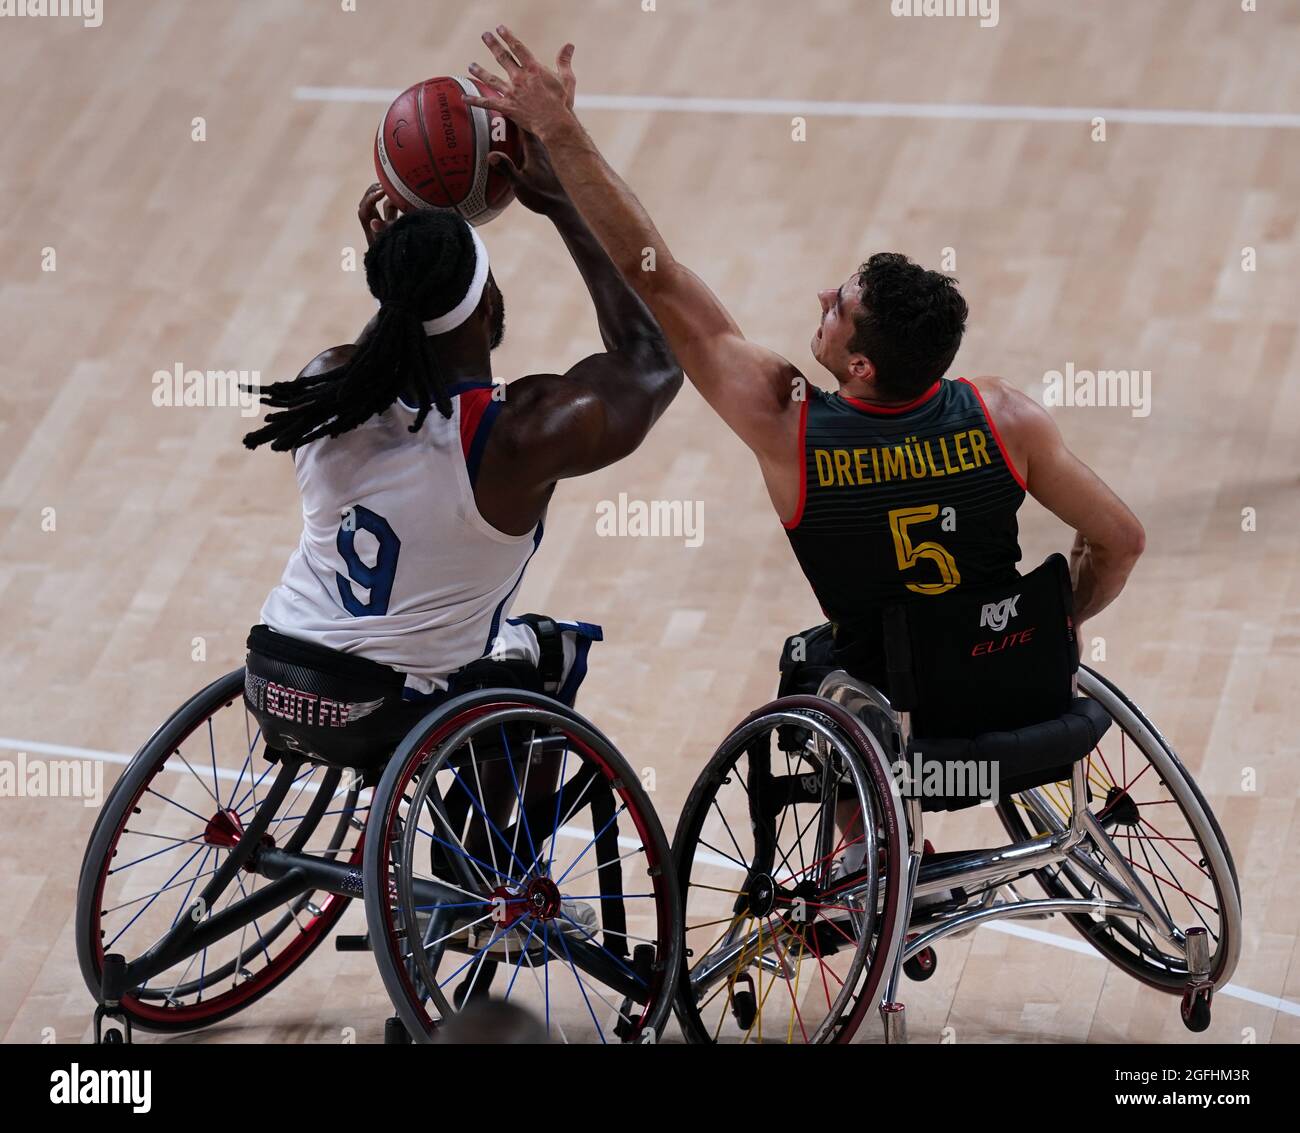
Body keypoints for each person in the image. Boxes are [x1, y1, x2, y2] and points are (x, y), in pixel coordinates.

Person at [463, 27, 1146, 695]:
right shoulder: (1005, 415)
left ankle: (861, 809)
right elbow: (1121, 539)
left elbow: (656, 278)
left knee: (833, 683)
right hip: (1006, 676)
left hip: (889, 693)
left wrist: (561, 135)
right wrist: (1063, 618)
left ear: (862, 368)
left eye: (837, 309)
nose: (822, 295)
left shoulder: (788, 424)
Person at [240, 132, 679, 873]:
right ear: (488, 302)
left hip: (276, 676)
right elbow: (654, 360)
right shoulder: (516, 440)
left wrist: (402, 267)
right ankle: (485, 875)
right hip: (390, 710)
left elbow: (393, 345)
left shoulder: (326, 388)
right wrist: (564, 203)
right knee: (547, 650)